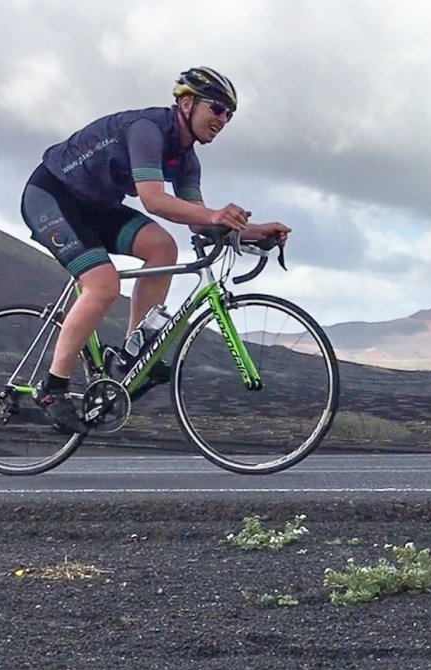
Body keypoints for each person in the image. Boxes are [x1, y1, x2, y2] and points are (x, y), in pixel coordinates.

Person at [19, 66, 290, 434]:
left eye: (229, 114)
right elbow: (153, 200)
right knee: (103, 284)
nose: (223, 120)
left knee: (163, 248)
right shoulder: (148, 129)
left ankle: (131, 355)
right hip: (51, 197)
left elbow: (199, 222)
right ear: (187, 103)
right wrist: (215, 213)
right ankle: (53, 388)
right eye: (217, 109)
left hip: (95, 208)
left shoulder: (187, 159)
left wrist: (254, 231)